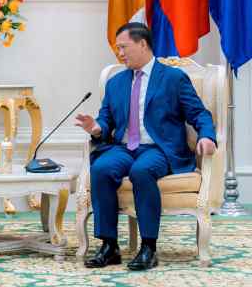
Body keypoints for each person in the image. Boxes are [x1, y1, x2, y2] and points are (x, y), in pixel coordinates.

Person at [75, 22, 216, 271]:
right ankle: (109, 246)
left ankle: (148, 247)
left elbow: (199, 113)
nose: (119, 53)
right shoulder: (115, 83)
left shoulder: (173, 78)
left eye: (123, 47)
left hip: (159, 149)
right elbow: (106, 120)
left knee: (142, 171)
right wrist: (95, 128)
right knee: (101, 168)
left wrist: (207, 136)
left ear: (142, 44)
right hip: (123, 148)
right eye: (117, 48)